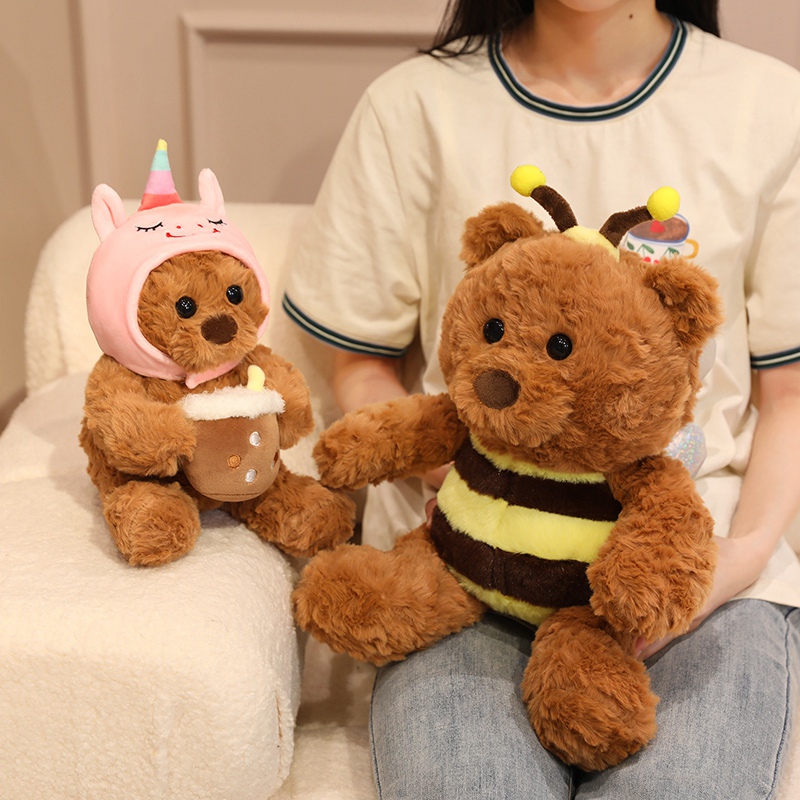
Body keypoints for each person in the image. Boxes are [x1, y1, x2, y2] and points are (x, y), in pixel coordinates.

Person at [283, 1, 800, 796]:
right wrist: (477, 484)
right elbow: (357, 361)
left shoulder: (769, 106)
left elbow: (790, 393)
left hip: (694, 567)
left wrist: (745, 555)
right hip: (467, 562)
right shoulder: (413, 105)